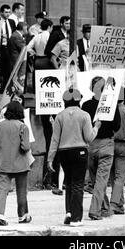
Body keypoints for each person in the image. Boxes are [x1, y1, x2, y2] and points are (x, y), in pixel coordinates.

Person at [48, 89, 101, 227]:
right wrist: (96, 128)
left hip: (63, 153)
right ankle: (76, 218)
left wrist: (50, 158)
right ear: (79, 100)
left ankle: (69, 212)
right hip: (79, 151)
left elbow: (55, 139)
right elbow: (89, 138)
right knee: (78, 184)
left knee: (69, 183)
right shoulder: (85, 115)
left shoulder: (59, 116)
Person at [83, 77, 121, 221]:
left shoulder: (86, 105)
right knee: (101, 180)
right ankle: (95, 210)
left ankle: (104, 207)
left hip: (90, 145)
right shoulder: (112, 104)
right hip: (106, 144)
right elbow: (117, 125)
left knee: (96, 179)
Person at [0, 101, 32, 226]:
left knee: (3, 190)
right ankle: (22, 215)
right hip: (21, 164)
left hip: (4, 164)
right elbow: (25, 147)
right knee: (21, 190)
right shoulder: (22, 126)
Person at [0, 5, 14, 88]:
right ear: (1, 13)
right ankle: (0, 87)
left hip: (10, 48)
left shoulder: (11, 22)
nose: (8, 14)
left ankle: (7, 87)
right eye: (6, 12)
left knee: (9, 69)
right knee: (0, 69)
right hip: (1, 48)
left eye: (9, 12)